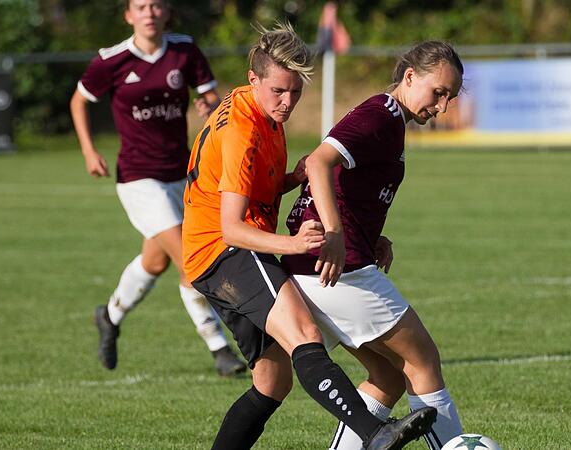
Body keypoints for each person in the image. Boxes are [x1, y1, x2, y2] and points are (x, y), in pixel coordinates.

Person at [182, 22, 436, 450]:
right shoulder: (243, 132)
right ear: (253, 79)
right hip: (224, 249)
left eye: (295, 92)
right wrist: (295, 244)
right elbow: (231, 226)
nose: (287, 102)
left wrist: (290, 179)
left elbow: (249, 187)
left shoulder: (255, 110)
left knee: (272, 383)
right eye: (279, 91)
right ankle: (375, 434)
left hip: (215, 250)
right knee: (304, 333)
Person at [281, 41, 465, 450]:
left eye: (450, 97)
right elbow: (318, 162)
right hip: (335, 270)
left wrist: (368, 234)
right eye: (439, 93)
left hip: (315, 268)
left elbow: (348, 184)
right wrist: (334, 232)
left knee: (386, 377)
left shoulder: (390, 119)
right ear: (411, 76)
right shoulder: (381, 114)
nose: (443, 107)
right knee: (423, 362)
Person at [69, 0, 246, 376]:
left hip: (181, 174)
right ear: (128, 15)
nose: (148, 12)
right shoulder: (111, 60)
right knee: (190, 259)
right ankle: (220, 349)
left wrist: (209, 107)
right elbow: (78, 101)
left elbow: (213, 101)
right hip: (137, 178)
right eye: (140, 6)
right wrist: (88, 150)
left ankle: (110, 316)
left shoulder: (184, 50)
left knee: (155, 260)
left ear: (167, 12)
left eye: (155, 5)